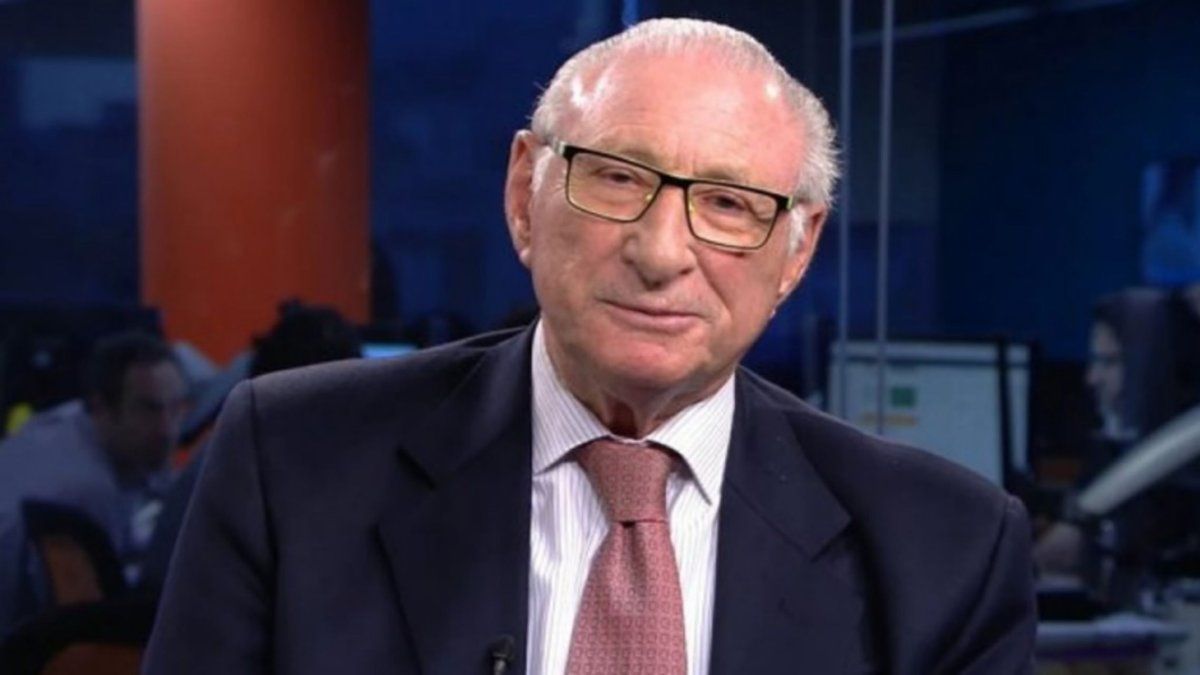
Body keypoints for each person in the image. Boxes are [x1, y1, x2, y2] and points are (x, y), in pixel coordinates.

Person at [145, 18, 1035, 674]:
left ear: (796, 252)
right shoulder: (292, 464)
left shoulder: (945, 550)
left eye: (728, 204)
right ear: (523, 194)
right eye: (616, 178)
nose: (661, 252)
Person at [0, 332, 188, 636]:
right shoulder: (86, 491)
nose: (167, 430)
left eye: (176, 408)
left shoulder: (63, 421)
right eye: (148, 409)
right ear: (101, 407)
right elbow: (97, 624)